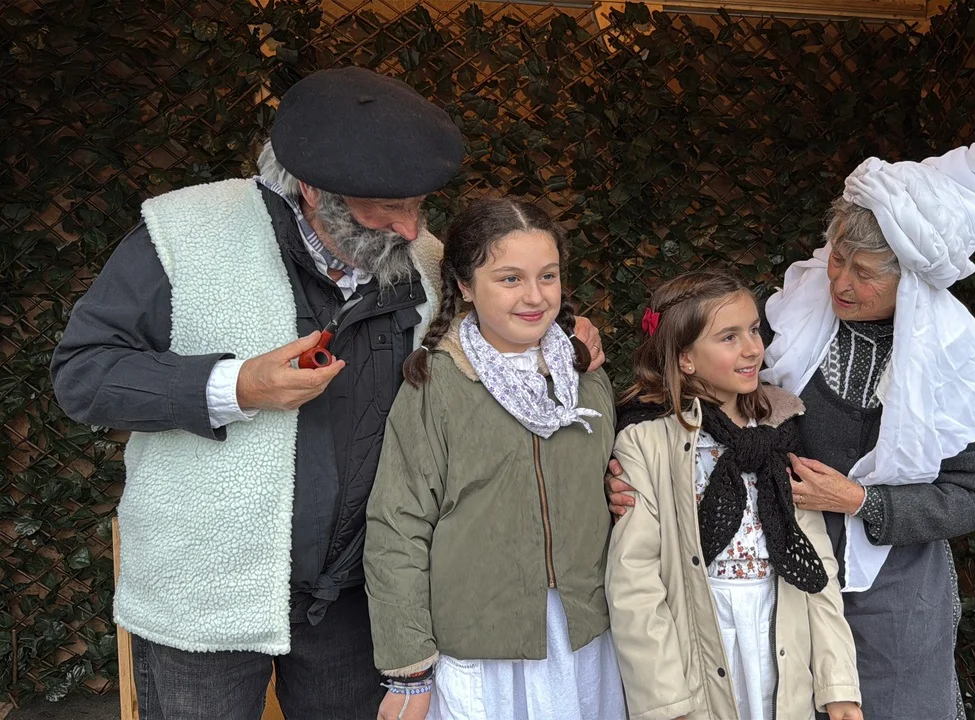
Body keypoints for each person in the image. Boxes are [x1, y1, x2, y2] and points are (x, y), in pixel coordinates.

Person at [49, 68, 604, 718]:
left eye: (418, 205)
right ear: (312, 188)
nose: (409, 229)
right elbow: (83, 373)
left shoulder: (423, 261)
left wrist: (567, 342)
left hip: (355, 599)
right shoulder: (186, 236)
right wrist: (237, 386)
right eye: (386, 208)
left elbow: (499, 333)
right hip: (207, 592)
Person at [609, 120, 975, 720]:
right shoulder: (790, 321)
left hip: (894, 592)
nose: (841, 282)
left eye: (866, 273)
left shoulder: (957, 369)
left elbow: (972, 498)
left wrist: (861, 500)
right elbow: (692, 379)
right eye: (837, 259)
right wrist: (628, 466)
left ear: (912, 277)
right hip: (780, 585)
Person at [364, 198, 624, 720]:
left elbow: (607, 486)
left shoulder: (587, 380)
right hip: (479, 650)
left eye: (547, 276)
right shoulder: (436, 385)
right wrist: (408, 667)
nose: (534, 296)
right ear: (464, 285)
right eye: (510, 279)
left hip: (584, 638)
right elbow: (397, 525)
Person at [606, 271, 862, 720]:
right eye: (729, 337)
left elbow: (815, 563)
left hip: (780, 634)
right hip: (698, 640)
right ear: (685, 358)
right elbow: (634, 580)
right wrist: (667, 702)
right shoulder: (648, 442)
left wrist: (838, 685)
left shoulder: (779, 431)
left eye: (754, 329)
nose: (752, 348)